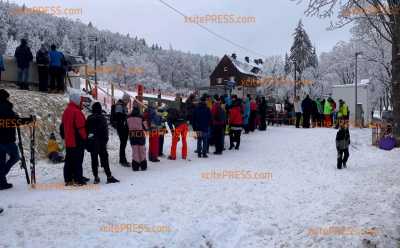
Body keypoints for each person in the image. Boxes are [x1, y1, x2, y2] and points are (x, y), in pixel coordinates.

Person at [86, 102, 119, 184]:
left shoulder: (89, 118)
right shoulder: (102, 118)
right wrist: (105, 141)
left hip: (92, 142)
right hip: (101, 142)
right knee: (104, 159)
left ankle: (96, 177)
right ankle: (109, 176)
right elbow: (105, 131)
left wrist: (88, 142)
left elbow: (87, 131)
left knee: (94, 160)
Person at [61, 92, 89, 186]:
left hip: (69, 139)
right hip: (77, 140)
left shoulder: (67, 110)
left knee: (69, 160)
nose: (81, 102)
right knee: (78, 160)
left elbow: (63, 126)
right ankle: (78, 179)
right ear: (77, 101)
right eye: (80, 100)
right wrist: (85, 138)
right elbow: (81, 127)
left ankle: (68, 178)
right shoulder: (76, 112)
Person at [0, 89, 21, 190]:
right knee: (15, 157)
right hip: (7, 139)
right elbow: (14, 121)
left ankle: (2, 182)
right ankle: (1, 175)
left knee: (1, 161)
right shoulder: (7, 108)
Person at [127, 103, 148, 171]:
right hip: (140, 134)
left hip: (132, 135)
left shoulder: (128, 116)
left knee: (135, 150)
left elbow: (126, 126)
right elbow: (145, 127)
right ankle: (143, 165)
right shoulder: (141, 117)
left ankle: (135, 165)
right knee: (141, 149)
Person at [167, 95, 188, 160]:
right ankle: (184, 155)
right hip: (185, 124)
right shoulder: (184, 106)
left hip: (178, 126)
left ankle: (173, 156)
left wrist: (172, 131)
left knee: (174, 141)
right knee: (184, 140)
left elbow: (169, 121)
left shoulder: (173, 108)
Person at [113, 94, 130, 167]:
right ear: (125, 99)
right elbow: (119, 116)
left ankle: (123, 159)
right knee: (123, 144)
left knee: (123, 143)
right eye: (128, 100)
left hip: (123, 127)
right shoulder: (119, 105)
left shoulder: (123, 105)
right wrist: (126, 116)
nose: (128, 102)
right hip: (121, 127)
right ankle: (122, 160)